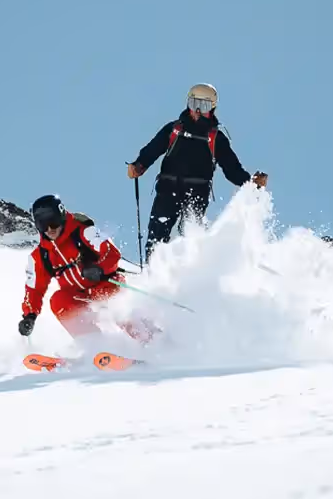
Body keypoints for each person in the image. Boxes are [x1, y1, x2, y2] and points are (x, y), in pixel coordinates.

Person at [127, 83, 268, 261]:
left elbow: (232, 169)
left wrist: (250, 183)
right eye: (194, 104)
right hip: (168, 188)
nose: (198, 111)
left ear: (212, 108)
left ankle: (188, 272)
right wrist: (139, 165)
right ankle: (153, 270)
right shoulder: (174, 129)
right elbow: (153, 149)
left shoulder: (216, 138)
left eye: (204, 105)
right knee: (158, 232)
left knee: (190, 234)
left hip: (197, 193)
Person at [17, 194, 154, 342]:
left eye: (53, 222)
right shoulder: (41, 256)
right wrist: (29, 316)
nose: (50, 229)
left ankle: (149, 339)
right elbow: (34, 289)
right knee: (58, 301)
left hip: (106, 286)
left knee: (119, 311)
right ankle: (94, 344)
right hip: (79, 297)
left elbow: (111, 253)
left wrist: (99, 269)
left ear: (61, 216)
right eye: (43, 224)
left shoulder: (83, 232)